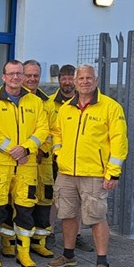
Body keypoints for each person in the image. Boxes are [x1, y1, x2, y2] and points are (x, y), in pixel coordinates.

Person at [47, 64, 128, 267]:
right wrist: (58, 153)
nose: (84, 81)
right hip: (66, 172)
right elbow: (56, 133)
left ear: (96, 80)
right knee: (67, 214)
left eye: (88, 78)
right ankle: (68, 254)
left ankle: (102, 262)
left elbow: (119, 141)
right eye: (80, 78)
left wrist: (113, 172)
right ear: (74, 81)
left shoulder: (110, 107)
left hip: (94, 173)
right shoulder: (66, 109)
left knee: (95, 217)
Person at [0, 60, 49, 267]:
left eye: (19, 74)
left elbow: (42, 129)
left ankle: (24, 254)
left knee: (25, 210)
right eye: (11, 74)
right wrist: (14, 150)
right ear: (3, 77)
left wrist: (26, 148)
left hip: (26, 165)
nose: (16, 78)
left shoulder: (35, 102)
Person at [47, 65, 94, 252]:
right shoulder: (51, 102)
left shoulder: (89, 102)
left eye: (69, 78)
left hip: (83, 160)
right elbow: (53, 131)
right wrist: (58, 153)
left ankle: (78, 235)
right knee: (55, 198)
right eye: (63, 78)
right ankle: (50, 232)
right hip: (59, 160)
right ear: (59, 80)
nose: (67, 82)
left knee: (81, 199)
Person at [21, 60, 55, 259]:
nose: (32, 79)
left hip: (43, 161)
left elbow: (52, 131)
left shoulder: (47, 101)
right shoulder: (16, 97)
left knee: (44, 199)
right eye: (29, 75)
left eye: (36, 75)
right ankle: (11, 243)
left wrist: (43, 149)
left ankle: (39, 242)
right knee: (20, 200)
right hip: (22, 159)